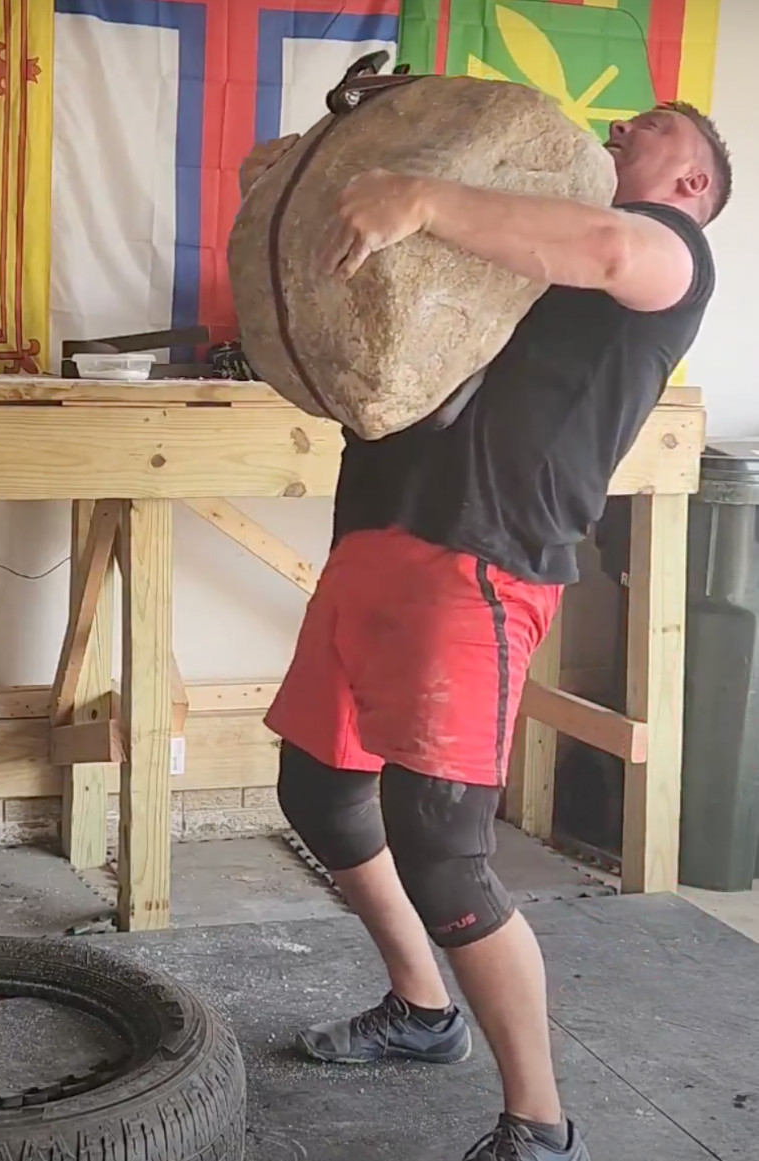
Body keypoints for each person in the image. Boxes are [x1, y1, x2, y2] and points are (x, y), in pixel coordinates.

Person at [240, 102, 731, 1161]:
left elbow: (607, 244)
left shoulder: (668, 253)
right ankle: (423, 1012)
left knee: (443, 853)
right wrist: (301, 188)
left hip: (483, 558)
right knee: (316, 789)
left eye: (644, 129)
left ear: (692, 184)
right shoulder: (518, 239)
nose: (614, 131)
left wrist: (419, 196)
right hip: (378, 527)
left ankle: (541, 1125)